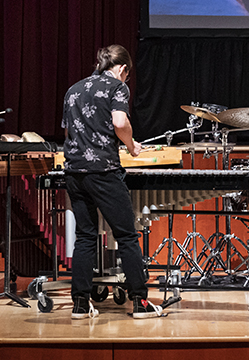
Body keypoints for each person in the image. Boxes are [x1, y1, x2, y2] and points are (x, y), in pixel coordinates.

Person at [62, 44, 178, 319]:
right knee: (126, 236)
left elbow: (68, 130)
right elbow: (119, 121)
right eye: (127, 74)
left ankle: (80, 303)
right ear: (123, 69)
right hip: (103, 172)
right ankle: (140, 302)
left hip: (75, 172)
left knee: (85, 237)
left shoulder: (73, 89)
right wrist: (132, 145)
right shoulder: (117, 87)